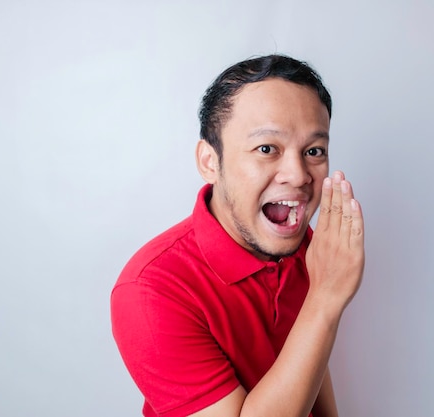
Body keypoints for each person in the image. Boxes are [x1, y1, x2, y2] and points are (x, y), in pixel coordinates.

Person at [111, 54, 365, 417]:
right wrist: (325, 300)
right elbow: (315, 320)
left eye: (313, 151)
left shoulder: (304, 246)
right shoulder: (149, 290)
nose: (298, 175)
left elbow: (311, 354)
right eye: (266, 149)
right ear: (209, 162)